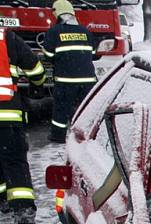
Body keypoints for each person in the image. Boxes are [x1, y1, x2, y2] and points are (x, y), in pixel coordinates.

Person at [0, 27, 46, 224]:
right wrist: (38, 86)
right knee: (15, 161)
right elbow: (35, 68)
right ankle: (24, 213)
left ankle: (4, 201)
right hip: (8, 114)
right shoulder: (6, 37)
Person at [42, 0, 97, 143]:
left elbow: (48, 55)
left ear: (57, 14)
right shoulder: (85, 31)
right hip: (88, 80)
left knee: (61, 110)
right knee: (86, 109)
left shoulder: (54, 31)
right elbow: (94, 52)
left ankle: (58, 136)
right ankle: (88, 136)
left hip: (65, 80)